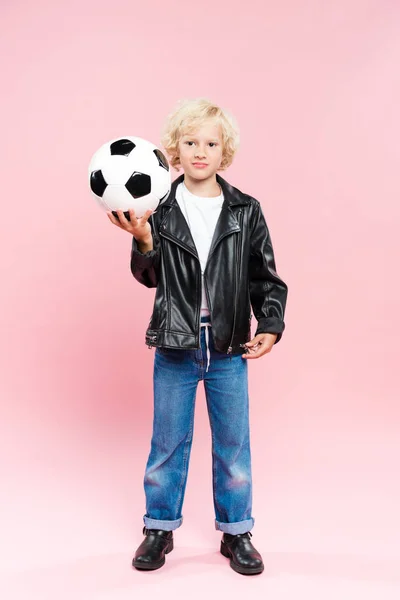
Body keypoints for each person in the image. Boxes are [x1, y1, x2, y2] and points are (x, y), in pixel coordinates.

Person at [106, 98, 288, 575]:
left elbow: (265, 278)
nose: (200, 152)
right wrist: (143, 239)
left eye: (210, 143)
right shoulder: (158, 206)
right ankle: (159, 528)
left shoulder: (245, 210)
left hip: (229, 345)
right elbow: (148, 277)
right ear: (175, 150)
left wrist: (269, 324)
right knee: (168, 441)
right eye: (190, 143)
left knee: (233, 444)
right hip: (175, 342)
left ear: (224, 151)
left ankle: (237, 532)